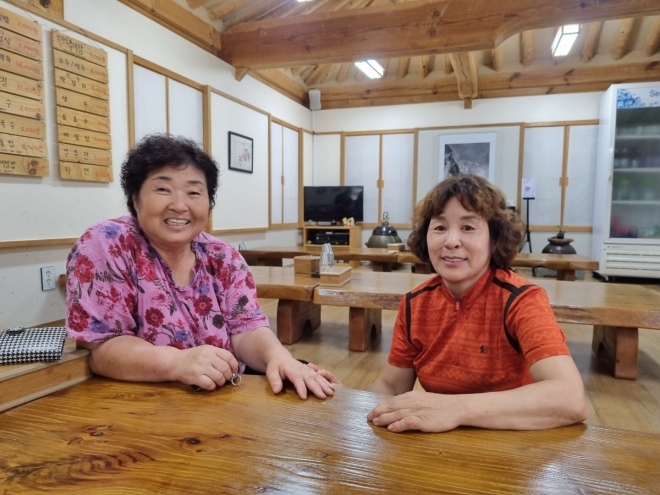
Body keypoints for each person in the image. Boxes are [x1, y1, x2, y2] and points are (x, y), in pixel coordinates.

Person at [65, 134, 338, 399]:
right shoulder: (108, 243)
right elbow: (101, 348)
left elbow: (247, 329)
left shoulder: (222, 256)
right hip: (141, 402)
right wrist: (177, 362)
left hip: (225, 396)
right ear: (135, 199)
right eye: (163, 189)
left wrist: (277, 357)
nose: (180, 205)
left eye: (194, 192)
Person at [367, 174, 587, 432]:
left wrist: (454, 409)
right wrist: (350, 402)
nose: (451, 241)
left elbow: (570, 399)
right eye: (439, 227)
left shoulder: (521, 300)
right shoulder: (415, 303)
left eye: (468, 228)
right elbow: (392, 386)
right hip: (438, 446)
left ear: (495, 240)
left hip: (515, 446)